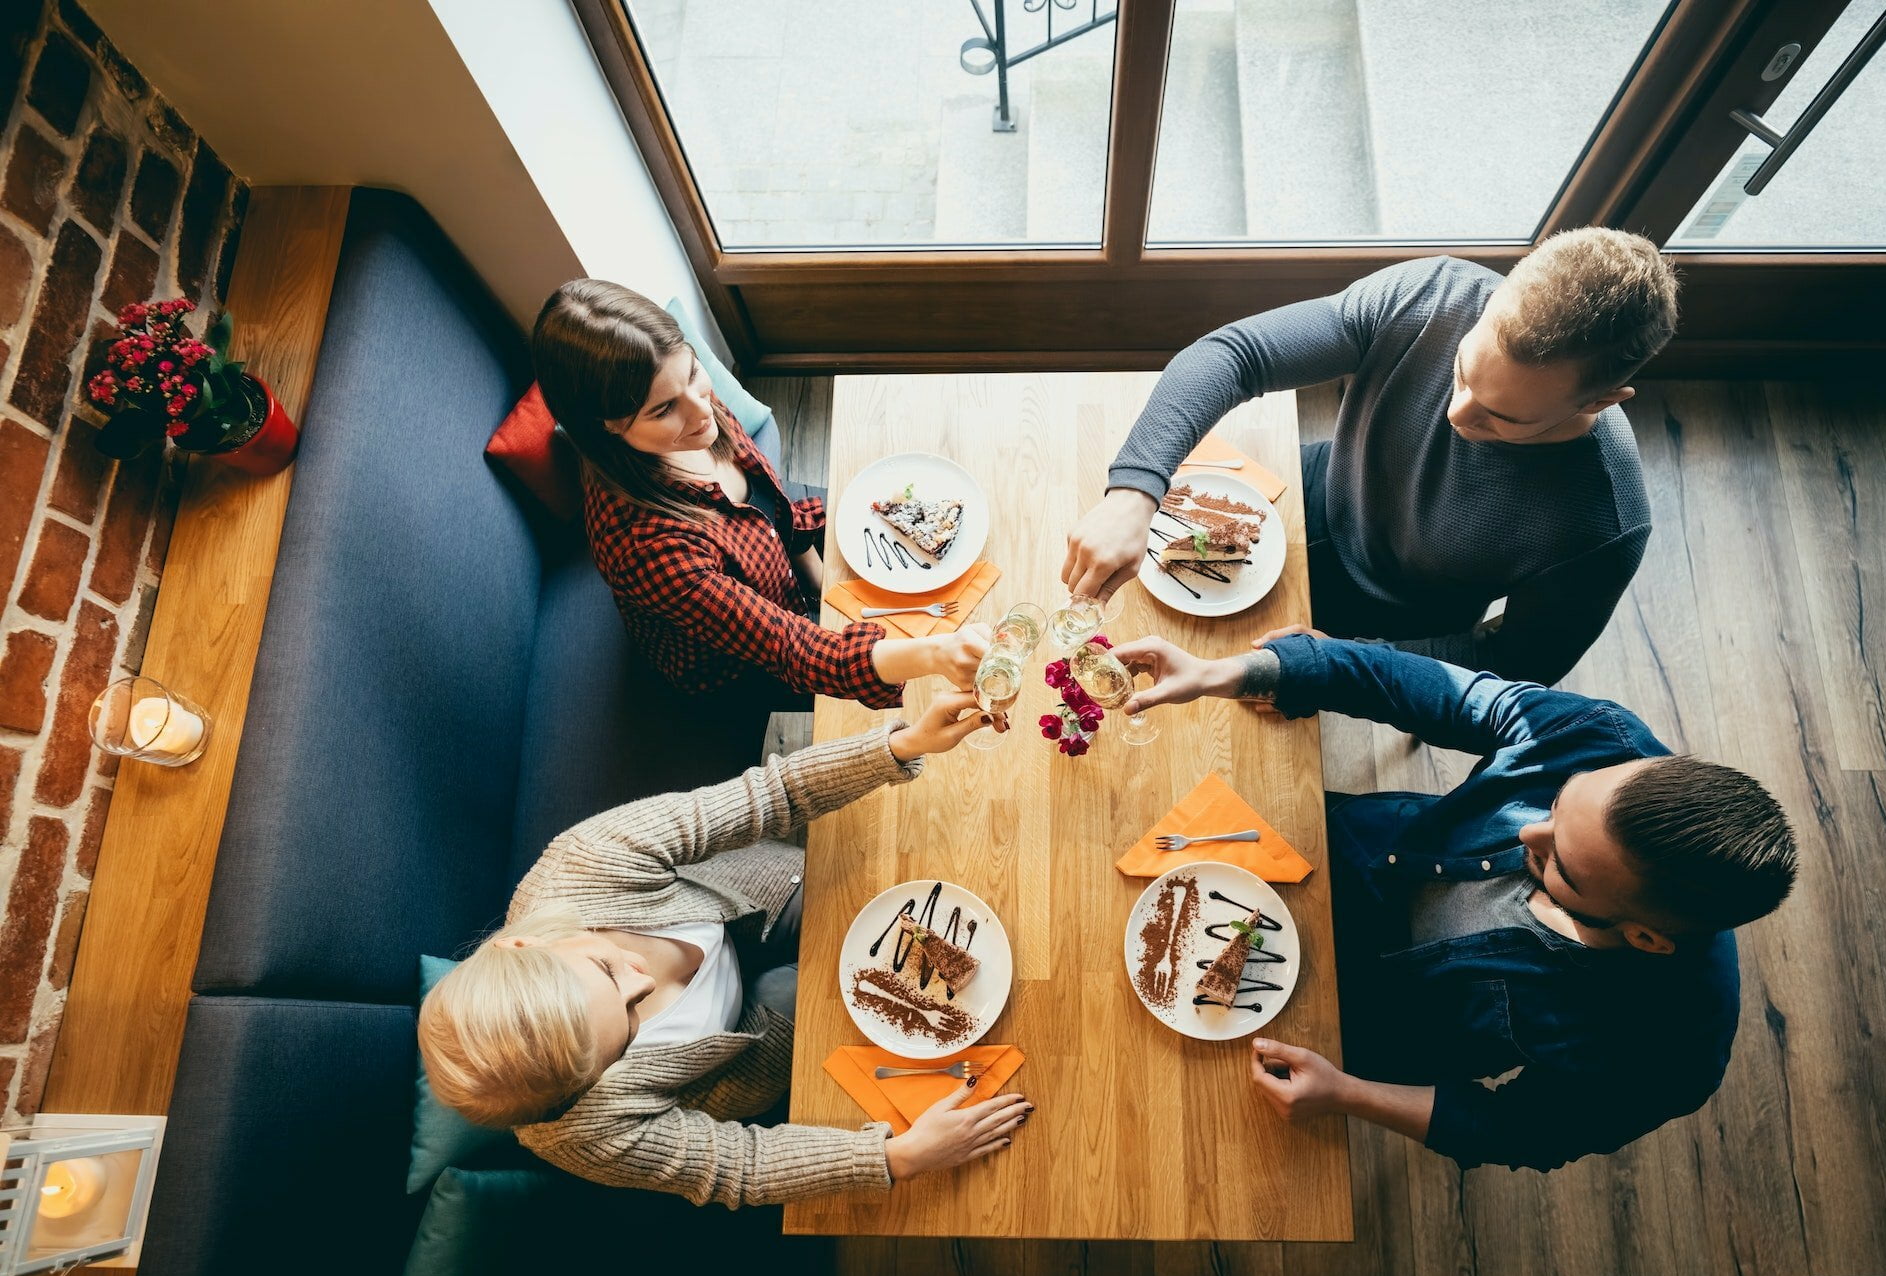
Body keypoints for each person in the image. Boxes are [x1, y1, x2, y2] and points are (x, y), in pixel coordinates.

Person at [1111, 632, 1797, 1171]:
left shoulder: (1670, 1051)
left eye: (1562, 864)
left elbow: (1523, 1131)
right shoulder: (1603, 738)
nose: (1529, 831)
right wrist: (1221, 672)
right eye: (1557, 804)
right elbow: (1427, 691)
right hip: (1352, 849)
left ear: (1645, 938)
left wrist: (1347, 1094)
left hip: (1367, 1023)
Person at [417, 692, 1032, 1206]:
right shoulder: (579, 1133)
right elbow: (740, 1165)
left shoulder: (586, 863)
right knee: (838, 1005)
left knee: (903, 918)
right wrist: (897, 1157)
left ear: (527, 943)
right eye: (628, 1029)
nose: (642, 984)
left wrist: (901, 745)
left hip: (758, 899)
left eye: (606, 969)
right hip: (749, 1046)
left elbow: (772, 797)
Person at [1065, 229, 1678, 686]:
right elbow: (1237, 355)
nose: (1457, 416)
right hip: (1309, 496)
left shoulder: (1604, 527)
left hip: (1388, 625)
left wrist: (1341, 659)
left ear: (1603, 400)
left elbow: (1514, 666)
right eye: (1463, 373)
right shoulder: (1435, 293)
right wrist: (1133, 493)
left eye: (1503, 418)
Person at [534, 279, 987, 710]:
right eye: (663, 409)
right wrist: (934, 655)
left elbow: (771, 507)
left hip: (780, 576)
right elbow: (793, 651)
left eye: (694, 372)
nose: (700, 410)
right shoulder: (647, 547)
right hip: (735, 666)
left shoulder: (690, 407)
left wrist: (815, 572)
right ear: (609, 426)